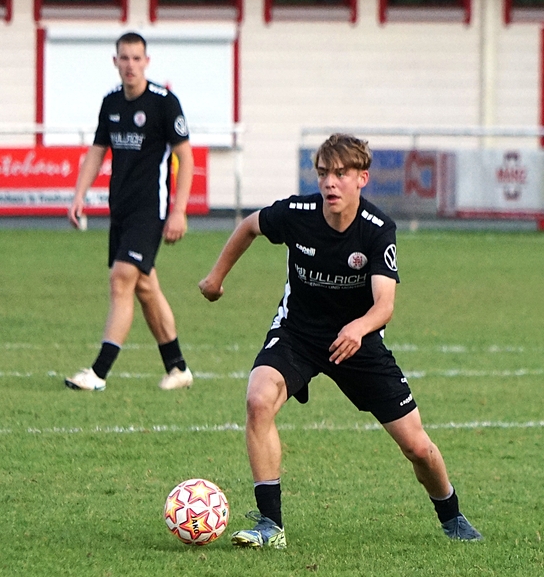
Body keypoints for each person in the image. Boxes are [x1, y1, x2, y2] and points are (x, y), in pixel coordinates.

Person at [198, 133, 482, 549]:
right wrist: (215, 278)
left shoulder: (377, 230)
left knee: (418, 447)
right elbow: (249, 227)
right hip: (297, 334)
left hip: (358, 343)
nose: (330, 182)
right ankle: (270, 524)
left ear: (362, 178)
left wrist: (358, 327)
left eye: (341, 174)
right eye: (323, 174)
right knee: (258, 400)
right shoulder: (296, 214)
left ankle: (451, 516)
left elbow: (385, 304)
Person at [65, 32, 194, 392]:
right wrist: (79, 195)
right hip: (120, 210)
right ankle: (178, 368)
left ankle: (98, 373)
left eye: (137, 58)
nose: (130, 65)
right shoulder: (111, 102)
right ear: (115, 61)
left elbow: (186, 157)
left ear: (146, 62)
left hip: (150, 209)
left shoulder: (164, 102)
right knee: (145, 286)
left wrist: (179, 211)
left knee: (121, 278)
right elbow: (97, 150)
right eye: (124, 58)